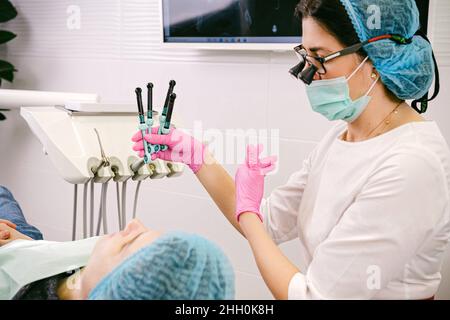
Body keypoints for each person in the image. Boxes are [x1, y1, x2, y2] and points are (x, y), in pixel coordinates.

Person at [132, 0, 450, 299]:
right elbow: (267, 222)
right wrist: (200, 158)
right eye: (304, 55)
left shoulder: (412, 164)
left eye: (319, 56)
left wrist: (249, 214)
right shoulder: (341, 138)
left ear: (374, 57)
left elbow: (313, 295)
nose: (307, 75)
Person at [0, 186, 235, 300]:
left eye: (127, 243)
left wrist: (13, 242)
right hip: (33, 248)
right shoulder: (103, 277)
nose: (133, 223)